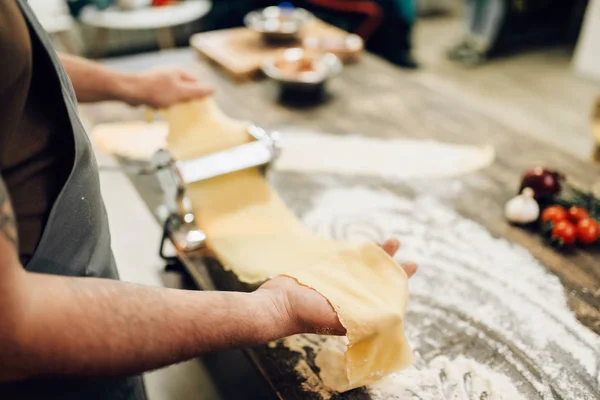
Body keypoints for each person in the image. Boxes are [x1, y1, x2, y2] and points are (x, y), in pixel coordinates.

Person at [0, 1, 417, 399]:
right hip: (43, 365)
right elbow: (13, 331)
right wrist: (275, 308)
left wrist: (131, 85)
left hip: (76, 284)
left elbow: (16, 58)